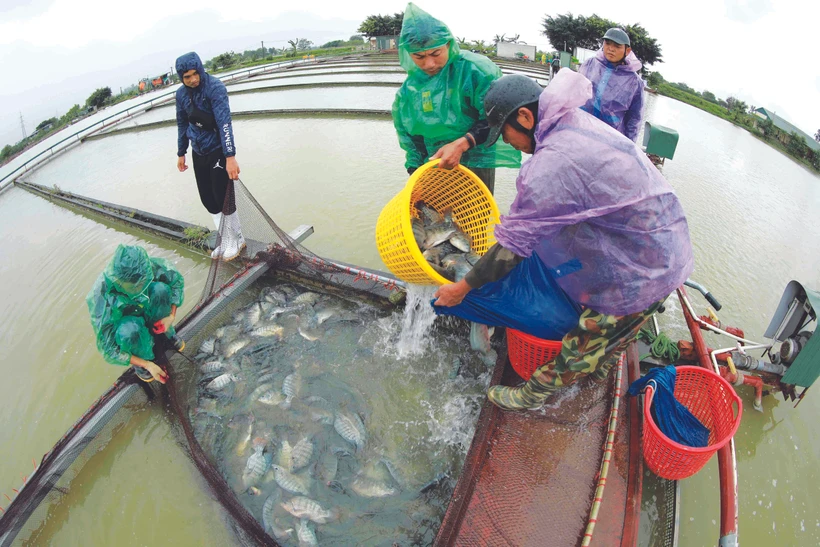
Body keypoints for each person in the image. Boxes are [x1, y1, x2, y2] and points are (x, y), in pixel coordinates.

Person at [433, 70, 694, 411]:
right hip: (663, 242)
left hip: (641, 269)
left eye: (506, 134)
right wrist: (466, 141)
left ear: (525, 117)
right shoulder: (569, 119)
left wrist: (461, 288)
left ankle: (532, 395)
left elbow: (512, 247)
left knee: (586, 341)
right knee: (616, 335)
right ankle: (601, 368)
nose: (507, 143)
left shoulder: (552, 163)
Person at [391, 3, 520, 194]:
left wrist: (462, 143)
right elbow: (409, 137)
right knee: (436, 217)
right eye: (419, 57)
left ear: (449, 44)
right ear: (409, 54)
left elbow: (497, 115)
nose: (429, 63)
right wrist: (416, 173)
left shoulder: (475, 70)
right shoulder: (409, 91)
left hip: (475, 159)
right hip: (434, 166)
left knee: (476, 215)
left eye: (436, 53)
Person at [175, 51, 245, 261]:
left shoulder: (215, 88)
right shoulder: (181, 95)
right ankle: (224, 239)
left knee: (222, 196)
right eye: (187, 77)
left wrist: (230, 156)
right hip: (198, 151)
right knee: (208, 199)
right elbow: (182, 123)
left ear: (201, 70)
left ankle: (237, 240)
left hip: (217, 149)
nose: (193, 80)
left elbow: (224, 123)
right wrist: (181, 152)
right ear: (181, 78)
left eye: (195, 74)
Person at [87, 245, 186, 384]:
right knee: (129, 331)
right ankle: (145, 359)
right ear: (118, 281)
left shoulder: (147, 266)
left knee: (161, 289)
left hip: (147, 309)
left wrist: (171, 316)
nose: (139, 289)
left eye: (142, 283)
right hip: (129, 323)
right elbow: (109, 348)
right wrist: (146, 364)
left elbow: (176, 283)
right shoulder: (102, 296)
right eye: (133, 286)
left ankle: (167, 334)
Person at [578, 28, 644, 142]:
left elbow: (634, 119)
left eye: (617, 46)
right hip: (580, 127)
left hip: (608, 139)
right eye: (607, 43)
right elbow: (574, 93)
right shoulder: (589, 64)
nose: (611, 49)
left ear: (627, 51)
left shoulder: (634, 82)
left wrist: (629, 146)